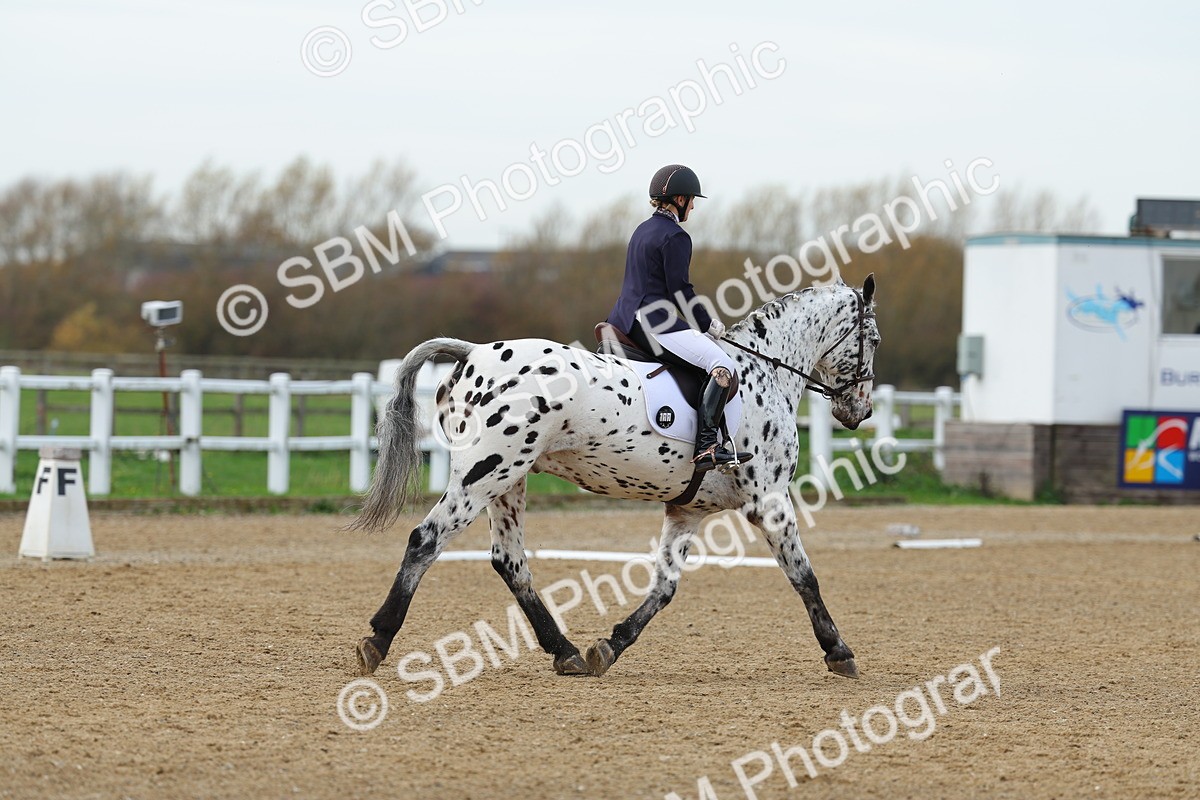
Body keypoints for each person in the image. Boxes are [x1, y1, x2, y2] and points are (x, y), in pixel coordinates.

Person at [606, 164, 752, 472]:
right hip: (655, 322)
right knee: (723, 365)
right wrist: (706, 324)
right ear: (680, 200)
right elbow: (680, 290)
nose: (694, 206)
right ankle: (707, 446)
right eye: (692, 200)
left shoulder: (642, 230)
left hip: (623, 318)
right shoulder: (675, 236)